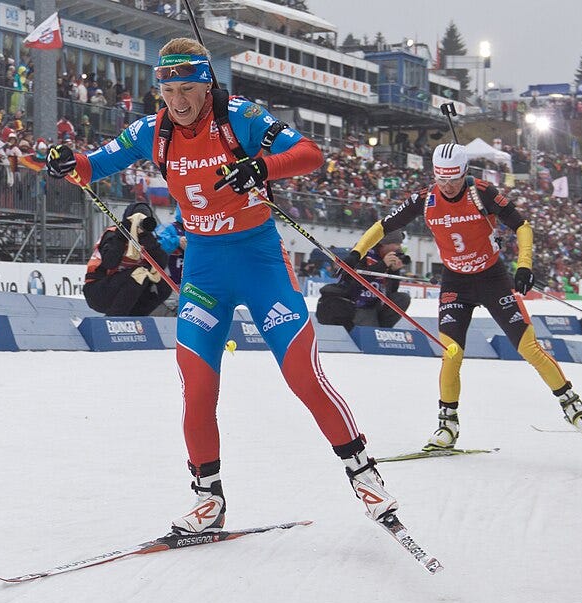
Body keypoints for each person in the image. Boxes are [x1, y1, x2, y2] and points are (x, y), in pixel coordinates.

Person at [45, 37, 397, 534]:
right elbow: (92, 166)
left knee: (302, 375)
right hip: (205, 270)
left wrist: (262, 164)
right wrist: (65, 163)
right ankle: (208, 499)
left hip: (259, 265)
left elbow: (311, 153)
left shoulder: (242, 117)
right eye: (170, 92)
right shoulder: (153, 130)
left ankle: (363, 472)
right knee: (198, 384)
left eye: (189, 89)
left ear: (207, 84)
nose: (180, 102)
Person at [346, 143, 582, 451]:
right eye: (441, 178)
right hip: (456, 282)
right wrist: (356, 253)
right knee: (451, 353)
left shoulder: (483, 193)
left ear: (465, 172)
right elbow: (383, 226)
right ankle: (447, 425)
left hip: (492, 278)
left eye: (453, 178)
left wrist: (524, 265)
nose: (447, 185)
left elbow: (522, 226)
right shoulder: (425, 199)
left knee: (528, 347)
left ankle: (572, 406)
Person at [83, 202, 173, 317]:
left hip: (127, 290)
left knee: (163, 286)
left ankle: (135, 317)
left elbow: (161, 266)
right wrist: (120, 238)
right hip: (98, 289)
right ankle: (114, 319)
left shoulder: (147, 239)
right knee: (138, 274)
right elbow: (109, 263)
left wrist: (150, 243)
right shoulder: (113, 234)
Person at [316, 229, 412, 330]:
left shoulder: (389, 258)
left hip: (375, 304)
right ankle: (374, 331)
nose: (399, 248)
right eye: (397, 244)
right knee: (370, 334)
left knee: (402, 298)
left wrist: (394, 271)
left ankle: (383, 331)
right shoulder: (363, 254)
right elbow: (354, 281)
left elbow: (392, 291)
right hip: (357, 304)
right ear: (384, 244)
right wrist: (382, 265)